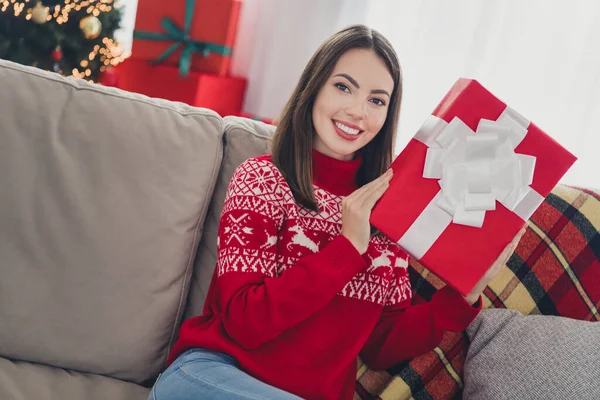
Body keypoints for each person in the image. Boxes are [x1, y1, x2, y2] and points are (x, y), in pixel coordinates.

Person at [147, 24, 526, 400]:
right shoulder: (262, 180)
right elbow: (244, 322)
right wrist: (346, 249)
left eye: (377, 100)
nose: (357, 111)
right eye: (343, 86)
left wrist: (462, 297)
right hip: (210, 378)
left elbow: (381, 348)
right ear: (314, 89)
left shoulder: (387, 214)